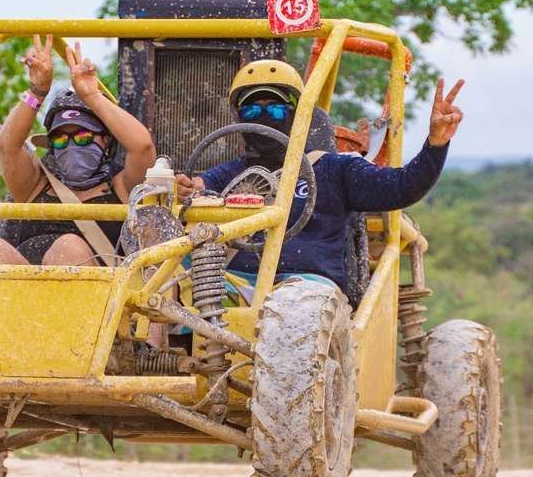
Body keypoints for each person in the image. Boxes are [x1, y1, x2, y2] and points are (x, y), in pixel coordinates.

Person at [173, 59, 465, 301]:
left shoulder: (335, 169)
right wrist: (186, 189)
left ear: (296, 114)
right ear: (240, 117)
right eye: (252, 110)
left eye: (275, 109)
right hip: (237, 284)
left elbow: (404, 186)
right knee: (170, 271)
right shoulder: (229, 174)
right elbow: (197, 188)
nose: (263, 117)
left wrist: (436, 143)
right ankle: (158, 348)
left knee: (296, 307)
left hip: (309, 289)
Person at [0, 35, 157, 267]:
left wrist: (92, 96)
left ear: (105, 140)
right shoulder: (35, 184)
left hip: (93, 285)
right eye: (61, 139)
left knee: (68, 247)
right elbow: (8, 146)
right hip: (23, 285)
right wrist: (36, 92)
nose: (71, 145)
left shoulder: (122, 187)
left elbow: (142, 147)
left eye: (83, 137)